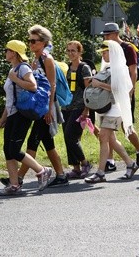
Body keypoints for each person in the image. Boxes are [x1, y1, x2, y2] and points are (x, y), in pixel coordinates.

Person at [11, 25, 68, 187]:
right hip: (39, 106)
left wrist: (49, 109)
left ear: (43, 42)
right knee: (48, 143)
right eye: (29, 41)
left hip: (46, 107)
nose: (31, 44)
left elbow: (52, 85)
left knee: (33, 142)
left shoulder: (47, 59)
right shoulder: (35, 59)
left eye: (34, 41)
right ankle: (61, 175)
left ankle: (19, 178)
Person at [0, 40, 54, 195]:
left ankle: (42, 171)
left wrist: (15, 79)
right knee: (8, 150)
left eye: (7, 49)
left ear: (14, 52)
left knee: (14, 150)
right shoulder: (13, 69)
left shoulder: (23, 68)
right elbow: (11, 97)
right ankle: (14, 185)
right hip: (12, 114)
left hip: (22, 114)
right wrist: (4, 117)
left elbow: (32, 86)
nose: (5, 52)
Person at [84, 41, 139, 183]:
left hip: (115, 108)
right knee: (111, 140)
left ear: (113, 52)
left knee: (103, 137)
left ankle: (100, 173)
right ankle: (130, 164)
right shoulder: (108, 67)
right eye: (102, 52)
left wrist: (99, 84)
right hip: (105, 107)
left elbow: (122, 89)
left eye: (105, 52)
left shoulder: (120, 69)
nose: (102, 55)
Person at [101, 23, 139, 170]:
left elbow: (133, 71)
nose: (105, 37)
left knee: (125, 124)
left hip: (124, 92)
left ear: (116, 33)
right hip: (110, 92)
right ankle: (110, 160)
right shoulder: (108, 47)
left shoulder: (128, 48)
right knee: (107, 127)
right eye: (104, 35)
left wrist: (131, 90)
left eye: (107, 35)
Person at [62, 40, 93, 179]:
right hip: (66, 106)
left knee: (71, 135)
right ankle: (75, 168)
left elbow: (89, 90)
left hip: (80, 106)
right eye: (68, 50)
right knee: (67, 137)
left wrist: (86, 110)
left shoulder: (84, 68)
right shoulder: (66, 68)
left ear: (80, 52)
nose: (70, 53)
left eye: (73, 50)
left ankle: (85, 163)